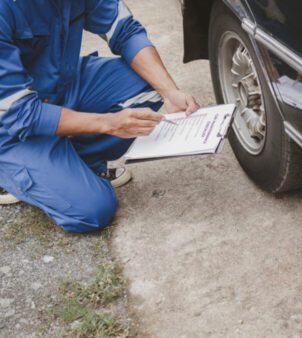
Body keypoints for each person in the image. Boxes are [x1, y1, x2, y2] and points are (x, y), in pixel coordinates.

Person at [0, 0, 199, 232]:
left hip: (63, 86)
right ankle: (11, 172)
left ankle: (76, 162)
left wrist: (169, 90)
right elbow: (20, 113)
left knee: (150, 83)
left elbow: (125, 30)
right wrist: (109, 124)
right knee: (93, 209)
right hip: (11, 127)